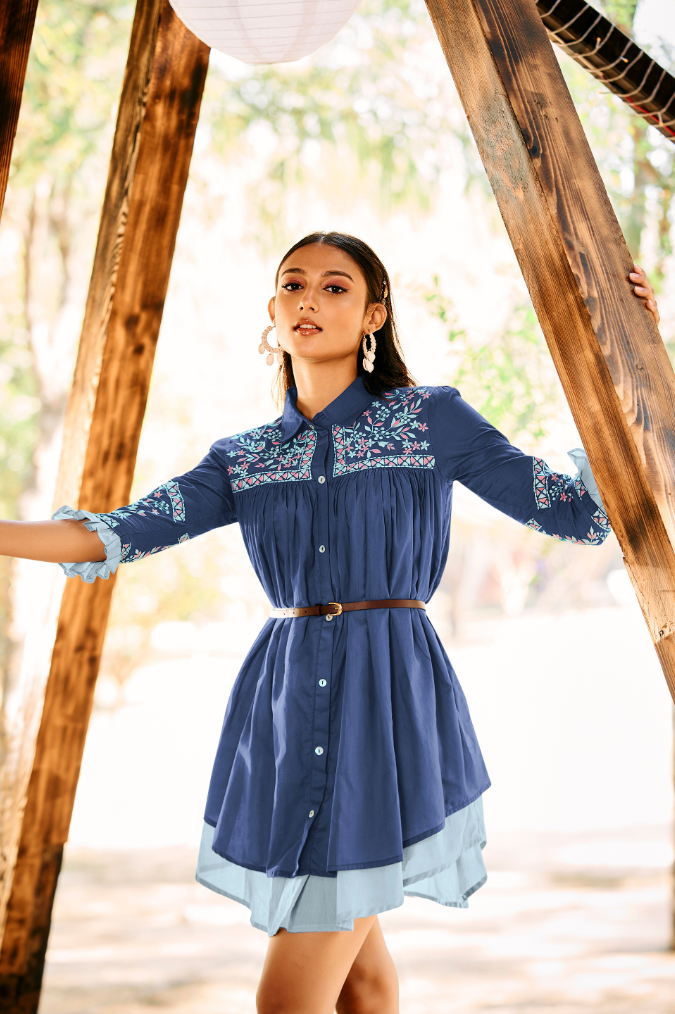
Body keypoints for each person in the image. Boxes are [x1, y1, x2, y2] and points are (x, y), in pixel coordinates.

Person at [0, 234, 660, 1014]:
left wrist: (635, 355)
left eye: (335, 287)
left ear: (374, 313)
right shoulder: (241, 458)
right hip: (284, 706)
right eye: (293, 284)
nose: (309, 298)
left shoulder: (428, 419)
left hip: (383, 700)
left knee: (286, 1001)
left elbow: (577, 512)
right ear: (273, 313)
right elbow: (112, 532)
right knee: (364, 987)